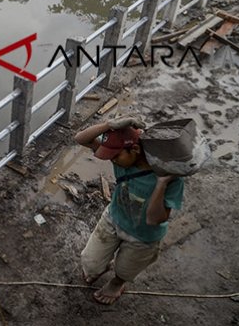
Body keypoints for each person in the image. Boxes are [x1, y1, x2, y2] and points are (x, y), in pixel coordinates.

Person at [74, 116, 184, 305]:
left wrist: (161, 184)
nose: (112, 161)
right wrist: (109, 124)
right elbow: (80, 139)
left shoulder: (171, 180)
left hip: (143, 236)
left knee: (125, 270)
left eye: (115, 156)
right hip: (114, 219)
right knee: (90, 263)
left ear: (134, 149)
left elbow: (154, 219)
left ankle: (117, 284)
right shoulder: (122, 160)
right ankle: (102, 264)